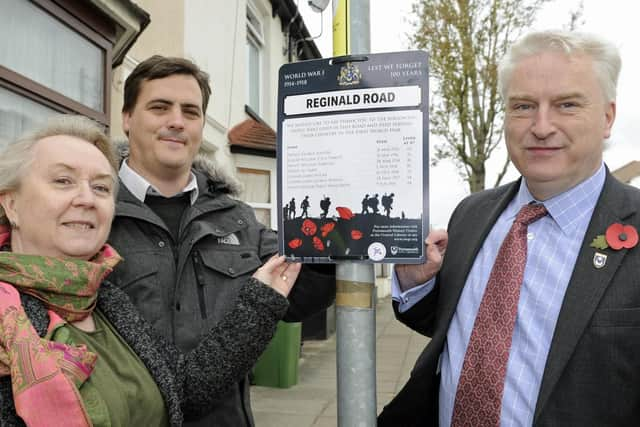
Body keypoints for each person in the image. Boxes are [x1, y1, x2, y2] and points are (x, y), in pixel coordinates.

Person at [378, 30, 640, 426]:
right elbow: (463, 331)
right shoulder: (472, 214)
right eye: (523, 106)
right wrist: (417, 283)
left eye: (567, 104)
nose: (541, 126)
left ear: (607, 117)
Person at [0, 115, 301, 426]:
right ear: (11, 204)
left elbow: (185, 388)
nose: (87, 198)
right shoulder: (8, 318)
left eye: (101, 187)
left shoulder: (105, 300)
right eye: (63, 181)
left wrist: (261, 299)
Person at [108, 55, 335, 426]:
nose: (177, 121)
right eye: (159, 107)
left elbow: (301, 291)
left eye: (191, 111)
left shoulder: (237, 217)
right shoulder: (93, 214)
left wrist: (343, 230)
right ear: (128, 117)